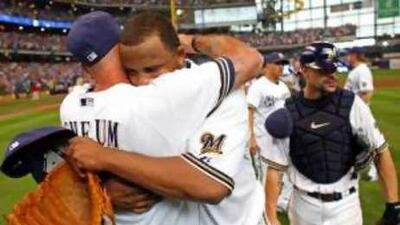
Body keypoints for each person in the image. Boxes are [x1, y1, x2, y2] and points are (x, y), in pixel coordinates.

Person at [61, 11, 264, 225]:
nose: (142, 82)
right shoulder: (135, 100)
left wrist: (104, 158)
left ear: (180, 55)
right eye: (131, 71)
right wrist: (104, 191)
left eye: (152, 70)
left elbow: (210, 185)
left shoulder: (222, 93)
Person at [264, 42, 399, 225]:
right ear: (304, 70)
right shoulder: (287, 111)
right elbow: (275, 168)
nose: (331, 75)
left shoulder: (352, 104)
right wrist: (271, 216)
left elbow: (381, 151)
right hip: (304, 208)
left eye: (333, 69)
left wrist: (393, 205)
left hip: (346, 207)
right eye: (324, 70)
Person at [247, 52, 292, 220]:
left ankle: (280, 203)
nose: (281, 67)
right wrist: (251, 138)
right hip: (264, 142)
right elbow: (249, 111)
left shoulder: (283, 87)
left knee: (285, 174)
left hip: (283, 140)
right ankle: (265, 212)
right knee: (265, 180)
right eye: (277, 63)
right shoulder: (258, 86)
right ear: (267, 65)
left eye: (283, 63)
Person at [344, 46, 378, 181]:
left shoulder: (362, 70)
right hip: (352, 111)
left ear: (355, 55)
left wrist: (359, 111)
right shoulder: (356, 70)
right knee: (354, 142)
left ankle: (374, 171)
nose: (347, 57)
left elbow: (368, 92)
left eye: (349, 55)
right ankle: (353, 169)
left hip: (358, 113)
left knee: (370, 141)